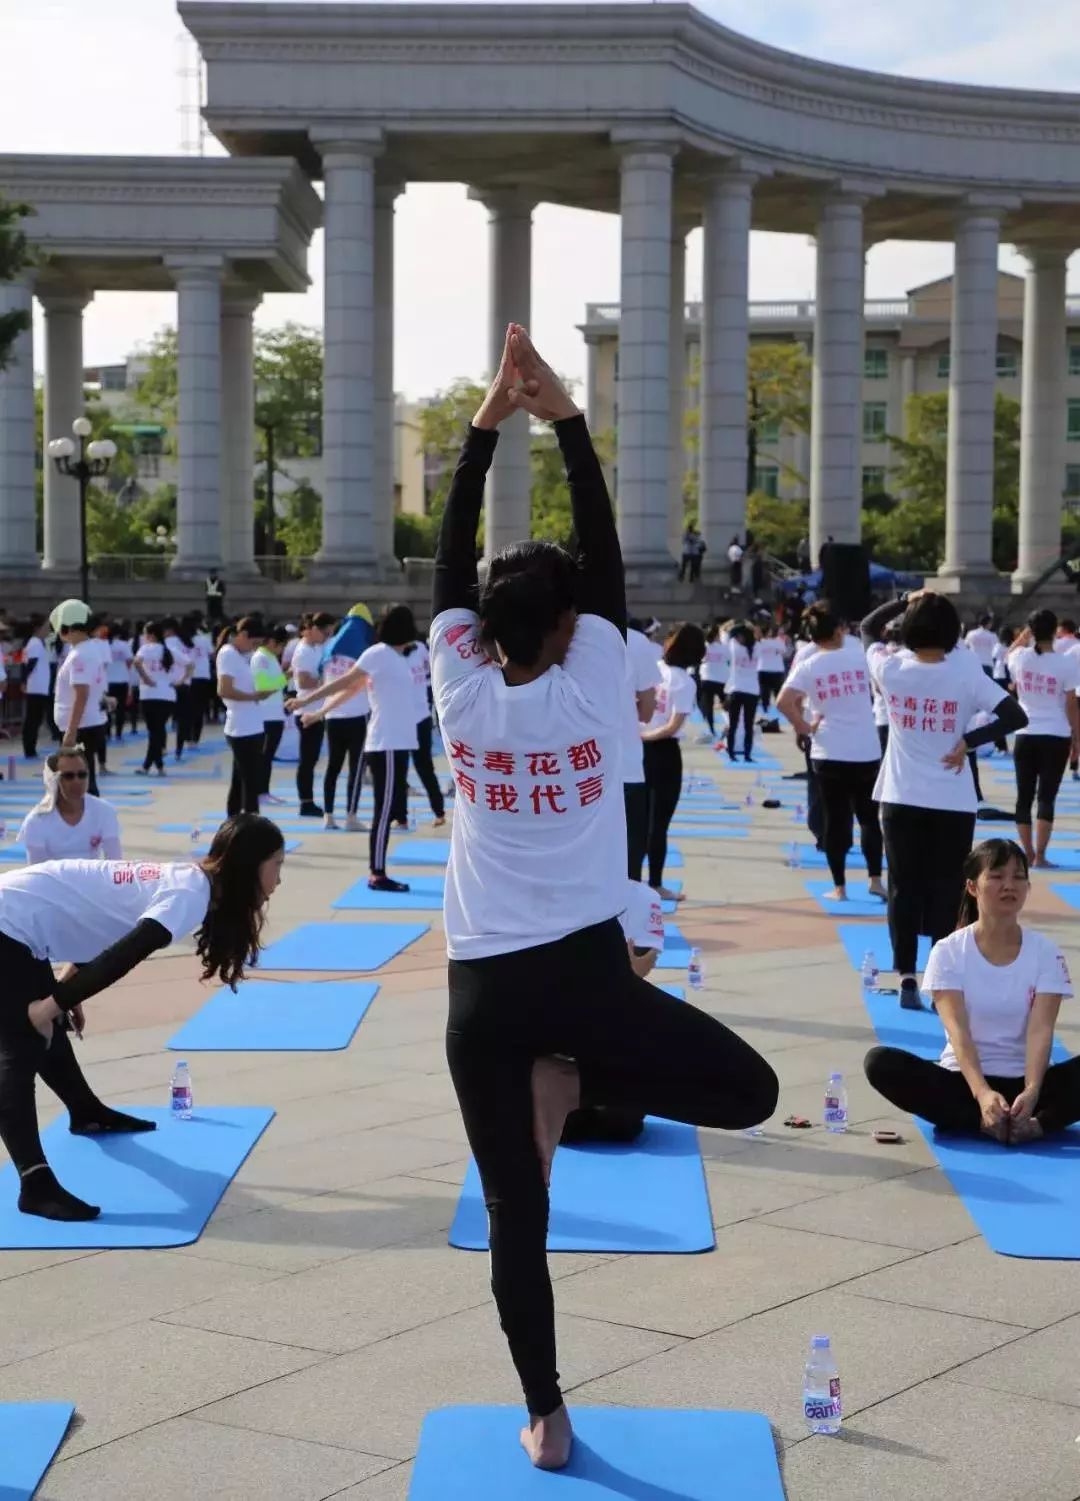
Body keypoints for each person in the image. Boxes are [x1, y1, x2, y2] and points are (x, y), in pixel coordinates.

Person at [428, 323, 777, 1471]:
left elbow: (447, 565)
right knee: (750, 1090)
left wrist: (485, 430)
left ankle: (546, 1410)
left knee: (512, 1219)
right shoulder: (593, 674)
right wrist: (561, 415)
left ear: (483, 629)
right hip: (582, 979)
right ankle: (578, 1081)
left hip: (482, 991)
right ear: (571, 627)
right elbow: (606, 551)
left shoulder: (458, 683)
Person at [0, 815, 284, 1221]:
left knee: (45, 1025)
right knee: (22, 1043)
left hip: (23, 916)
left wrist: (64, 987)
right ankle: (35, 1184)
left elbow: (102, 917)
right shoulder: (190, 895)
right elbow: (126, 954)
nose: (279, 877)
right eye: (277, 864)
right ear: (250, 863)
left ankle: (86, 1112)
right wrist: (52, 1005)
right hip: (10, 921)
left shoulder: (193, 885)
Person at [862, 591, 1028, 1010]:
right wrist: (967, 742)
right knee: (948, 889)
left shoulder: (890, 667)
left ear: (909, 630)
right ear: (954, 632)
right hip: (952, 799)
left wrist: (904, 600)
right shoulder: (965, 672)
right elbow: (1015, 715)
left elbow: (867, 628)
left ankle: (905, 975)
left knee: (903, 886)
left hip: (900, 796)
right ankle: (940, 977)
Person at [865, 839, 1079, 1142]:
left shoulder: (1046, 952)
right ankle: (980, 1122)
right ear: (972, 887)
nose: (1009, 885)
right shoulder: (949, 952)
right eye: (996, 876)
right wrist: (982, 1094)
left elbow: (1040, 1031)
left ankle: (1035, 1125)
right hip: (965, 1083)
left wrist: (1031, 1092)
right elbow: (958, 1032)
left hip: (1032, 1086)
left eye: (1018, 877)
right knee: (880, 1063)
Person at [294, 606, 420, 889]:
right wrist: (305, 702)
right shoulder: (378, 654)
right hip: (385, 743)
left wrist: (316, 714)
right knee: (384, 811)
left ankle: (379, 871)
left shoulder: (397, 658)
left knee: (388, 809)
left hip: (399, 743)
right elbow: (344, 682)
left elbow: (352, 691)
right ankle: (377, 873)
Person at [777, 603, 884, 903]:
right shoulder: (861, 654)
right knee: (868, 819)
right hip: (865, 749)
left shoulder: (809, 664)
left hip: (828, 750)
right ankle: (876, 880)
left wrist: (804, 727)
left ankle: (840, 887)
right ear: (839, 631)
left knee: (836, 820)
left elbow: (783, 702)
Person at [1008, 610, 1080, 868]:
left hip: (1025, 733)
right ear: (1054, 631)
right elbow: (1071, 704)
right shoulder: (1066, 663)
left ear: (1031, 631)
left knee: (1023, 797)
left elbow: (1009, 652)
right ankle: (1040, 855)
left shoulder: (1020, 658)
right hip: (1056, 734)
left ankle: (1026, 852)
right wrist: (1077, 737)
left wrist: (1026, 633)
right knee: (1047, 797)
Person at [642, 623, 705, 901]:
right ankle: (654, 882)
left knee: (639, 820)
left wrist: (638, 735)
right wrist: (648, 737)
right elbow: (673, 725)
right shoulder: (684, 681)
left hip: (638, 747)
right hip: (663, 751)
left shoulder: (654, 669)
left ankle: (631, 879)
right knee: (659, 823)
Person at [18, 746, 122, 864]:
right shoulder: (36, 821)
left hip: (92, 881)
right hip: (52, 881)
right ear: (54, 780)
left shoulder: (105, 811)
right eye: (68, 776)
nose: (77, 781)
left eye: (82, 775)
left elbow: (115, 865)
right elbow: (38, 874)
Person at [217, 618, 274, 817]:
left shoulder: (246, 655)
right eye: (254, 643)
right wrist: (253, 697)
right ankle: (251, 822)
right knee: (250, 780)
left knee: (241, 778)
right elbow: (224, 690)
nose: (255, 648)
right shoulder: (228, 654)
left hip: (254, 724)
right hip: (240, 726)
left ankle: (234, 821)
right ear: (243, 635)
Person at [51, 602, 109, 796]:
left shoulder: (79, 655)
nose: (62, 635)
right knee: (84, 774)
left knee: (78, 778)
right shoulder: (89, 650)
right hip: (89, 722)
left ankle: (88, 819)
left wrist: (71, 730)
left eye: (63, 630)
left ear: (73, 630)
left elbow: (81, 694)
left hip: (82, 726)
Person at [397, 608, 446, 828]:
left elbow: (430, 677)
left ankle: (439, 811)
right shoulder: (389, 652)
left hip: (420, 717)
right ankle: (401, 817)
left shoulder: (420, 650)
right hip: (399, 718)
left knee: (424, 766)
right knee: (399, 769)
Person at [622, 619, 661, 880]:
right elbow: (647, 710)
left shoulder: (563, 633)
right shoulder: (636, 641)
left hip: (572, 769)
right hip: (625, 764)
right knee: (630, 853)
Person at [290, 611, 337, 817]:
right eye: (325, 632)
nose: (327, 636)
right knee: (307, 760)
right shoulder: (303, 651)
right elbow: (302, 681)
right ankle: (306, 801)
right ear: (313, 630)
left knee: (312, 758)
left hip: (317, 710)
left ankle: (307, 799)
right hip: (307, 711)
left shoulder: (317, 647)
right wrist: (327, 684)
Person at [133, 620, 176, 777]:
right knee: (157, 732)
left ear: (150, 635)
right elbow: (190, 664)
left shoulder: (146, 648)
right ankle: (158, 766)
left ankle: (148, 766)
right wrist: (180, 680)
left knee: (154, 732)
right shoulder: (169, 650)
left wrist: (145, 678)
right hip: (167, 695)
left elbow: (136, 662)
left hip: (149, 695)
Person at [251, 626, 289, 805]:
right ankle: (259, 791)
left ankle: (264, 790)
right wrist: (285, 677)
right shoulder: (260, 658)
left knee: (268, 756)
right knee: (264, 756)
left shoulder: (271, 657)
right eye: (282, 646)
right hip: (265, 715)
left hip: (275, 713)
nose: (282, 650)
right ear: (273, 642)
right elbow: (263, 686)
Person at [725, 622, 759, 761]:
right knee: (748, 725)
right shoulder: (758, 647)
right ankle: (747, 754)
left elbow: (728, 632)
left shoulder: (734, 647)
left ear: (740, 636)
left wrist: (736, 625)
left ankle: (732, 753)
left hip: (736, 690)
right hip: (752, 691)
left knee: (733, 724)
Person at [165, 617, 196, 763]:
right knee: (183, 719)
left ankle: (164, 747)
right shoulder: (186, 641)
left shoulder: (169, 644)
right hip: (185, 684)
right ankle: (180, 748)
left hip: (171, 685)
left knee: (164, 719)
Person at [21, 615, 52, 759]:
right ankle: (29, 749)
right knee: (33, 719)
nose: (47, 630)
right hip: (36, 687)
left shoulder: (38, 643)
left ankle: (31, 747)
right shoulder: (34, 643)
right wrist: (24, 681)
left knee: (36, 719)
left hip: (40, 687)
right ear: (37, 629)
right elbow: (29, 664)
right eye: (45, 627)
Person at [697, 621, 728, 741]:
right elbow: (729, 658)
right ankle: (730, 724)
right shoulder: (723, 648)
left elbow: (699, 659)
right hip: (721, 680)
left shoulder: (704, 646)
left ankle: (711, 729)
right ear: (717, 636)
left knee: (708, 706)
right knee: (726, 705)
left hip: (706, 679)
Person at [187, 614, 214, 746]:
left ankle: (187, 736)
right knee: (199, 709)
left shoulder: (184, 640)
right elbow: (211, 653)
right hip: (202, 676)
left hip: (188, 677)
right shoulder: (204, 639)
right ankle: (195, 738)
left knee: (188, 708)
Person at [106, 622, 133, 744]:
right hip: (122, 680)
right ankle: (118, 734)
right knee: (120, 709)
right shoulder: (124, 645)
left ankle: (107, 733)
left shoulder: (104, 645)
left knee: (107, 709)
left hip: (107, 681)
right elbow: (129, 661)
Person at [754, 624, 787, 714]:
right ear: (769, 632)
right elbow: (784, 653)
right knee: (778, 694)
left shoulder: (758, 643)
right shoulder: (778, 641)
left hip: (763, 669)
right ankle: (779, 712)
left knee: (765, 694)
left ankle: (766, 712)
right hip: (776, 670)